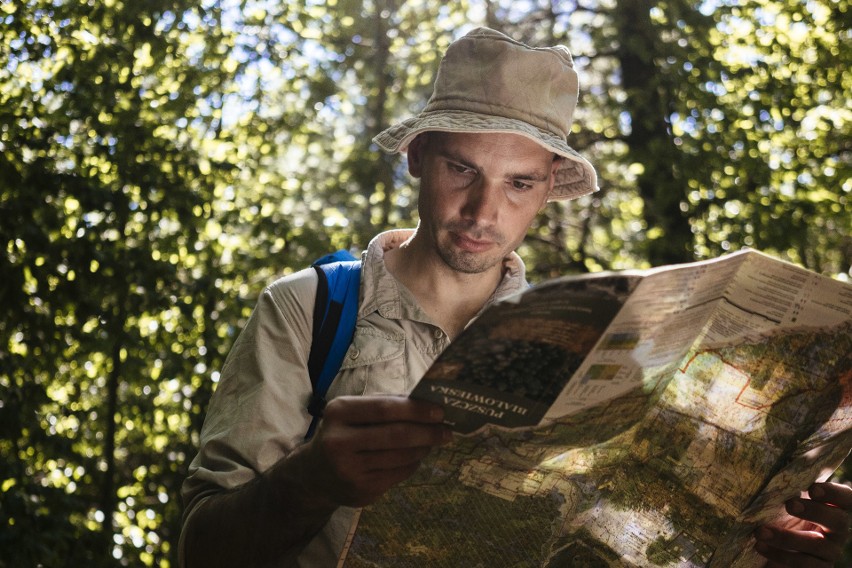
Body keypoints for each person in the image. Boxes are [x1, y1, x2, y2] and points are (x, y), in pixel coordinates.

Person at [179, 27, 852, 567]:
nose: (483, 210)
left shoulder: (598, 344)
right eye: (462, 168)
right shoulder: (310, 309)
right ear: (416, 157)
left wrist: (780, 545)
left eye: (519, 184)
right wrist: (310, 483)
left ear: (548, 187)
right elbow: (200, 549)